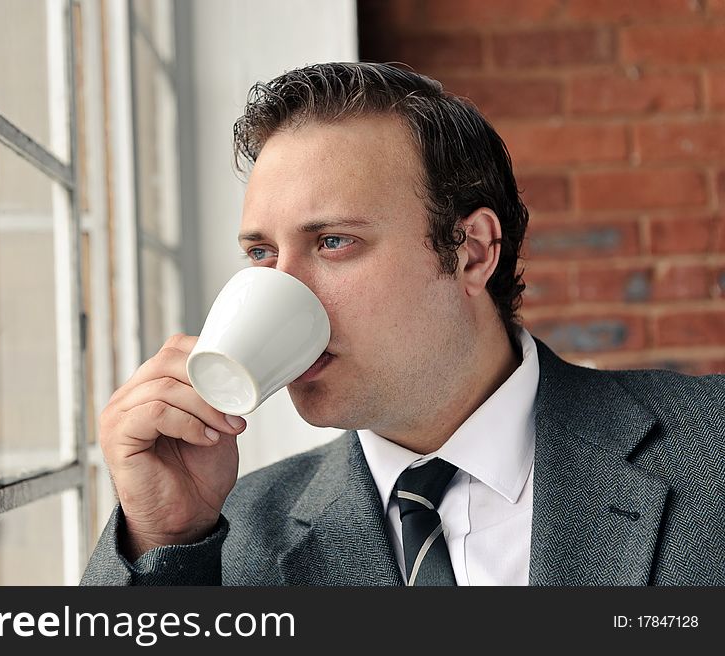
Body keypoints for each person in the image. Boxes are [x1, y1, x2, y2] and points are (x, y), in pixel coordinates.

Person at [82, 62, 725, 586]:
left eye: (333, 241)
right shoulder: (228, 538)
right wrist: (163, 541)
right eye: (260, 253)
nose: (279, 286)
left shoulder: (708, 450)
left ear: (471, 250)